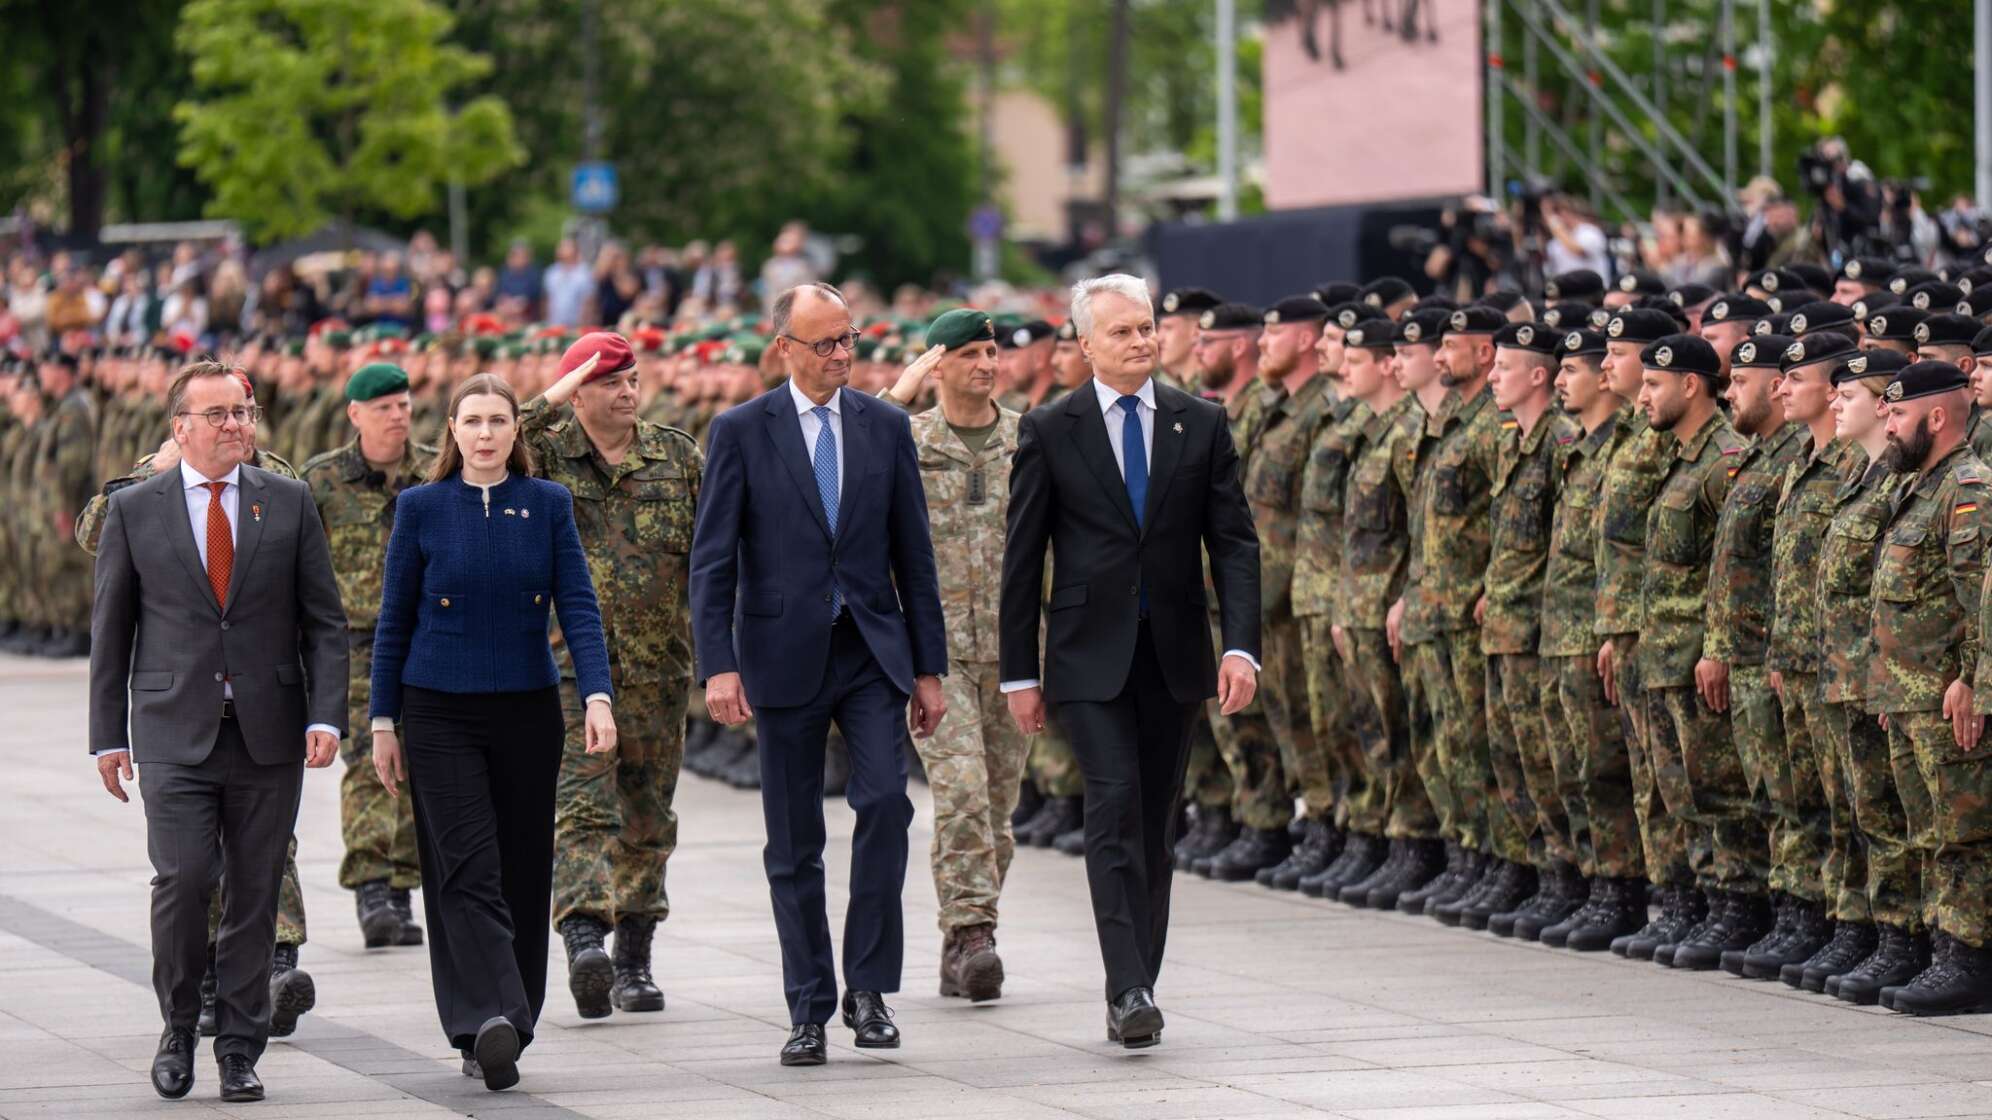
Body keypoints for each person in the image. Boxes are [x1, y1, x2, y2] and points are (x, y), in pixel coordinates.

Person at [688, 282, 947, 1067]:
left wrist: (929, 669)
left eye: (849, 340)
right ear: (785, 349)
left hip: (870, 649)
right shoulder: (740, 430)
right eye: (826, 343)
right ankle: (808, 1005)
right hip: (781, 652)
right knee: (793, 841)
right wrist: (719, 665)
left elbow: (915, 555)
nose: (842, 355)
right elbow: (713, 560)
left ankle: (868, 990)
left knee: (885, 807)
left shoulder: (885, 426)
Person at [999, 274, 1261, 1049]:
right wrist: (1020, 672)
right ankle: (1128, 987)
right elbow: (1023, 559)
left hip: (1175, 656)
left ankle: (1137, 976)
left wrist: (1239, 644)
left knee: (1155, 821)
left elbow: (1235, 543)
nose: (1142, 341)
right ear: (1085, 345)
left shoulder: (1200, 422)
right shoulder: (1052, 428)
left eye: (1147, 328)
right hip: (1087, 661)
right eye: (1122, 332)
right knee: (1112, 809)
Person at [89, 360, 348, 1104]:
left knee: (255, 892)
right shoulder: (137, 509)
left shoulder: (289, 502)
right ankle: (177, 1025)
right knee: (184, 879)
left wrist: (326, 713)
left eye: (242, 412)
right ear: (180, 429)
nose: (235, 425)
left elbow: (324, 622)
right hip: (173, 729)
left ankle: (240, 1046)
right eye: (217, 414)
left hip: (268, 730)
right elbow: (113, 630)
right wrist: (108, 735)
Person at [368, 372, 617, 1091]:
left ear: (516, 431)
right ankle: (487, 1016)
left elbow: (578, 604)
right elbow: (394, 622)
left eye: (497, 421)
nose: (484, 433)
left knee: (520, 867)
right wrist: (384, 721)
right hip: (438, 709)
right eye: (471, 420)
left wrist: (596, 695)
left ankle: (508, 1021)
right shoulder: (420, 508)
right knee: (465, 868)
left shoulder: (547, 505)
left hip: (527, 709)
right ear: (451, 430)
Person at [518, 332, 703, 1021]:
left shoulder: (676, 457)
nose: (627, 393)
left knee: (648, 817)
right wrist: (552, 397)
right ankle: (584, 938)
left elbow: (714, 557)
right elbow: (488, 443)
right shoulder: (544, 459)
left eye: (632, 380)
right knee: (581, 808)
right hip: (567, 668)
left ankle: (634, 956)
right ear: (578, 392)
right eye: (609, 382)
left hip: (659, 671)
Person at [881, 308, 1027, 1000]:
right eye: (967, 353)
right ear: (937, 363)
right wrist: (902, 388)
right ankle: (976, 934)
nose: (986, 364)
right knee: (963, 793)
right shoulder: (907, 441)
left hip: (1016, 651)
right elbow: (843, 445)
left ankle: (961, 931)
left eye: (991, 351)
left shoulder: (1030, 440)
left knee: (998, 809)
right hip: (935, 656)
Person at [299, 363, 434, 950]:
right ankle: (373, 885)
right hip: (355, 646)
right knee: (368, 762)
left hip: (429, 640)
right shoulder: (322, 481)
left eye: (403, 405)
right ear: (355, 414)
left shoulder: (434, 471)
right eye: (384, 407)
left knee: (421, 765)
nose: (398, 416)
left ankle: (403, 885)